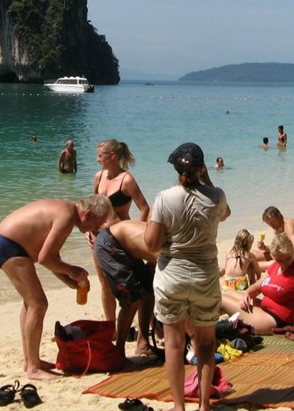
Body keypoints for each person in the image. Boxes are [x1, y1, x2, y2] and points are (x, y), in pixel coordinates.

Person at [144, 143, 230, 411]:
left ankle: (179, 406)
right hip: (204, 275)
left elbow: (151, 244)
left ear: (175, 168)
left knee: (174, 343)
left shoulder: (164, 198)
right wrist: (207, 180)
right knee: (205, 343)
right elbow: (225, 215)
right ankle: (204, 405)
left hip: (172, 276)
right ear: (201, 169)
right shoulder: (216, 196)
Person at [0, 195, 111, 380]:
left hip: (6, 243)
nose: (96, 229)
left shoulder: (67, 211)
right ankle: (33, 368)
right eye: (97, 223)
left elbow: (51, 257)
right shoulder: (65, 217)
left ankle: (30, 361)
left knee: (30, 303)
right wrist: (73, 270)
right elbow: (44, 259)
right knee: (38, 304)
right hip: (10, 246)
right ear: (87, 214)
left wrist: (69, 281)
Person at [221, 234, 294, 334]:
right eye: (279, 260)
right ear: (273, 256)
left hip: (276, 319)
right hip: (264, 307)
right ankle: (209, 325)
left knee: (221, 298)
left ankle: (207, 329)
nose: (283, 263)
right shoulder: (274, 266)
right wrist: (247, 294)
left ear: (292, 253)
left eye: (287, 258)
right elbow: (257, 286)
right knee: (230, 293)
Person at [91, 139, 150, 325]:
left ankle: (145, 325)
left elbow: (144, 207)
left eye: (100, 156)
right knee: (105, 284)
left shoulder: (127, 180)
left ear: (113, 156)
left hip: (121, 239)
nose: (97, 160)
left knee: (135, 282)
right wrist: (88, 230)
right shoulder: (98, 177)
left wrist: (136, 233)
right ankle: (111, 326)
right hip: (98, 237)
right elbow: (93, 206)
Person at [92, 219, 157, 361]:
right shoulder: (167, 252)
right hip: (109, 244)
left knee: (149, 291)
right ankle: (119, 352)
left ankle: (142, 343)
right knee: (132, 300)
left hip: (128, 245)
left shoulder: (173, 247)